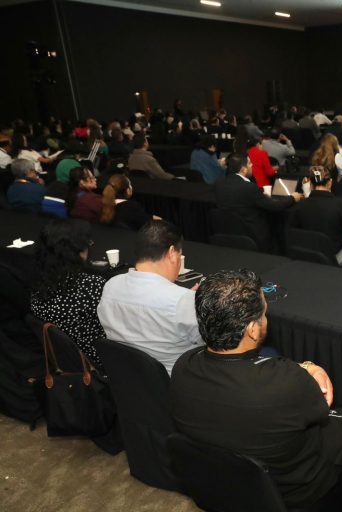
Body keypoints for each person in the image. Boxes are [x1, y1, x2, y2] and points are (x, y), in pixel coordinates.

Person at [169, 269, 342, 509]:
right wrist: (310, 367)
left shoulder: (183, 367)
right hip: (297, 491)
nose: (266, 320)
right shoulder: (285, 383)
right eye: (264, 314)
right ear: (252, 329)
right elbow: (320, 411)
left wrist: (305, 367)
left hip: (224, 484)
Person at [97, 220, 203, 375]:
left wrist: (187, 299)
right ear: (172, 253)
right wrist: (196, 303)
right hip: (177, 380)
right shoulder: (181, 301)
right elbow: (210, 340)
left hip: (127, 377)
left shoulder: (110, 286)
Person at [31, 219, 107, 369]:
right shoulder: (93, 286)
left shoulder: (38, 286)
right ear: (76, 251)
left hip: (67, 360)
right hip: (99, 359)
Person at [215, 153, 301, 252]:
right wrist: (292, 198)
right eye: (249, 163)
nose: (252, 165)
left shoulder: (219, 184)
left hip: (229, 234)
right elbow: (275, 206)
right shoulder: (248, 187)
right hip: (254, 235)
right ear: (243, 170)